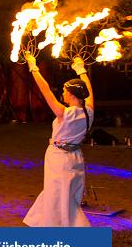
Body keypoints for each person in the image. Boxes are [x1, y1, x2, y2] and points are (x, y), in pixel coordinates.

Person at [23, 54, 92, 227]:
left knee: (59, 198)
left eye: (63, 90)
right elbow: (89, 92)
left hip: (59, 158)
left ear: (70, 94)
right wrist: (81, 69)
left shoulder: (64, 113)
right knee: (63, 195)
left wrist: (33, 67)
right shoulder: (89, 111)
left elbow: (45, 90)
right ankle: (44, 224)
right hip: (76, 157)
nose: (62, 93)